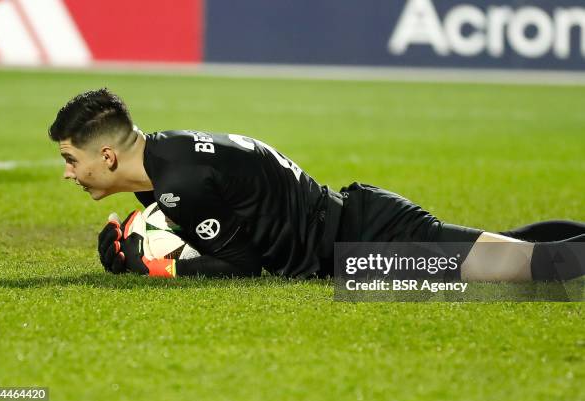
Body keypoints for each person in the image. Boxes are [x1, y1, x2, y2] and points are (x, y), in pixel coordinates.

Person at [49, 88, 584, 282]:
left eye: (71, 159)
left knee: (537, 269)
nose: (68, 172)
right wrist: (127, 252)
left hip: (368, 242)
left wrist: (155, 265)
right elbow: (212, 227)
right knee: (513, 251)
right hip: (350, 234)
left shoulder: (177, 179)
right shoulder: (165, 160)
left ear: (109, 154)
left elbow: (243, 264)